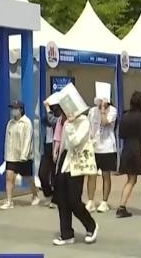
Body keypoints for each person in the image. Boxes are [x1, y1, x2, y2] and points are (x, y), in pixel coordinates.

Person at [52, 96, 98, 246]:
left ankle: (91, 225)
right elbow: (64, 144)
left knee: (73, 200)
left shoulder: (84, 122)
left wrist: (71, 124)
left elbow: (75, 142)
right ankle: (66, 234)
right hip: (64, 162)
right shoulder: (66, 123)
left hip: (77, 164)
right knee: (62, 200)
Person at [1, 100, 39, 209]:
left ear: (21, 109)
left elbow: (27, 139)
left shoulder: (26, 122)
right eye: (12, 108)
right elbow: (7, 140)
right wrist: (6, 155)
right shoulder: (10, 123)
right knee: (9, 177)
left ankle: (35, 195)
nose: (13, 110)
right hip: (11, 156)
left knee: (28, 178)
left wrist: (24, 155)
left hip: (23, 156)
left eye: (15, 108)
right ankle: (9, 201)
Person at [86, 96, 118, 213]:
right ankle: (90, 201)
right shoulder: (92, 111)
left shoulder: (112, 110)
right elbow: (89, 127)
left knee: (106, 175)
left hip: (107, 148)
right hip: (94, 147)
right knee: (91, 175)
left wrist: (103, 110)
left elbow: (105, 123)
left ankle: (104, 202)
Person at [38, 102, 63, 207]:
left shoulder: (61, 118)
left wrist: (48, 109)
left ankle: (56, 199)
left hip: (57, 148)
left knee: (55, 176)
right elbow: (47, 121)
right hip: (47, 147)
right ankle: (49, 194)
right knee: (42, 174)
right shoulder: (46, 118)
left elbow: (53, 121)